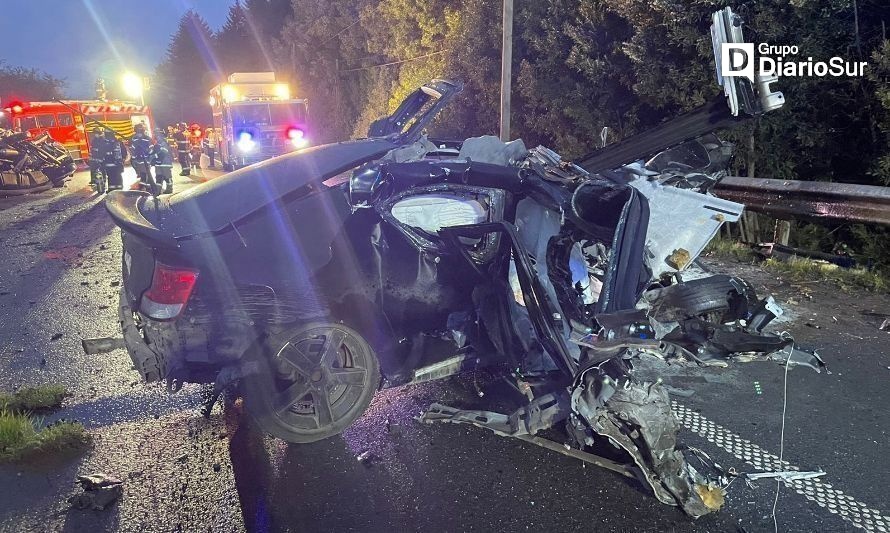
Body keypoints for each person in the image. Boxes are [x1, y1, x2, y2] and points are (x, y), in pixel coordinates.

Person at [149, 128, 174, 194]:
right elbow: (153, 152)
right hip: (159, 164)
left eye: (156, 134)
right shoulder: (157, 143)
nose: (155, 136)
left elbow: (164, 152)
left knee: (167, 177)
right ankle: (157, 190)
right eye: (155, 134)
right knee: (158, 177)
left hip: (165, 163)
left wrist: (156, 158)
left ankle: (169, 189)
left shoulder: (163, 142)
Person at [128, 123, 152, 189]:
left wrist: (133, 158)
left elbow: (132, 149)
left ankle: (143, 186)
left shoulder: (134, 138)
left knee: (143, 174)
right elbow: (151, 149)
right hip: (145, 159)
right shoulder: (147, 138)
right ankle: (146, 186)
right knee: (146, 173)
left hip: (139, 160)